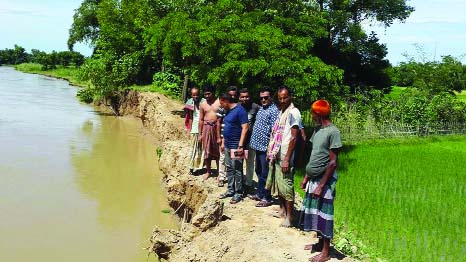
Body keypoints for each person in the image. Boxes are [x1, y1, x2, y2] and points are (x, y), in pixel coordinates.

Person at [299, 100, 342, 262]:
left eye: (313, 113)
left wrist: (322, 185)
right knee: (316, 213)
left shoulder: (333, 132)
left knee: (325, 215)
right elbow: (314, 156)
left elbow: (332, 162)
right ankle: (319, 243)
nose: (312, 116)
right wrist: (306, 177)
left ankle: (326, 252)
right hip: (313, 178)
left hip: (325, 181)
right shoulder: (317, 130)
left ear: (320, 114)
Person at [266, 86, 301, 227]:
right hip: (277, 153)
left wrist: (287, 158)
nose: (282, 100)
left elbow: (293, 137)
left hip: (285, 153)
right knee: (279, 183)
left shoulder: (293, 112)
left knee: (286, 185)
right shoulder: (282, 111)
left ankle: (290, 217)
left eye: (285, 97)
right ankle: (282, 210)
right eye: (280, 98)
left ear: (290, 96)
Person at [249, 86, 279, 207]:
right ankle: (260, 193)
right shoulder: (262, 109)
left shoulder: (274, 111)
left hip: (266, 148)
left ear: (271, 97)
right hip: (258, 146)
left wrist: (270, 149)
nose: (263, 100)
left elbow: (274, 131)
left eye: (266, 98)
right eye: (261, 98)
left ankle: (267, 197)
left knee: (266, 173)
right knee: (259, 171)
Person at [218, 93, 249, 204]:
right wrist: (223, 142)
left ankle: (239, 193)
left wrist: (241, 145)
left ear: (226, 101)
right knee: (229, 168)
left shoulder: (240, 110)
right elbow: (227, 127)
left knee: (237, 169)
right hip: (227, 145)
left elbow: (245, 128)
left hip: (237, 146)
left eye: (221, 103)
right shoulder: (228, 111)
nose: (221, 106)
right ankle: (230, 190)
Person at [238, 88, 260, 195]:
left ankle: (249, 184)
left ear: (250, 97)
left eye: (246, 96)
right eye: (242, 97)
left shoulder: (255, 107)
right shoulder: (237, 107)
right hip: (239, 140)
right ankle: (239, 183)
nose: (244, 99)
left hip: (251, 140)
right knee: (238, 162)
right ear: (239, 97)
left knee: (250, 163)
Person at [216, 86, 238, 187]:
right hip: (223, 135)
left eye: (234, 95)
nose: (232, 96)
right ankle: (221, 177)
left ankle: (233, 179)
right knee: (222, 158)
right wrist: (219, 138)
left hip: (234, 139)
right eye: (231, 95)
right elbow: (218, 122)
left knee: (234, 160)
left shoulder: (238, 108)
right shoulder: (222, 108)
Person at [198, 85, 221, 180]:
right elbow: (201, 119)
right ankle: (208, 171)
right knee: (207, 151)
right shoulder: (203, 104)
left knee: (218, 151)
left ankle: (220, 172)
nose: (207, 96)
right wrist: (200, 134)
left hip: (217, 127)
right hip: (206, 128)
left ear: (214, 92)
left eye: (209, 94)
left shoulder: (219, 102)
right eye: (205, 94)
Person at [184, 86, 205, 174]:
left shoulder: (204, 102)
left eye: (197, 95)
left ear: (199, 94)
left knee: (202, 149)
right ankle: (191, 168)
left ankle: (200, 167)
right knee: (193, 149)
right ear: (191, 95)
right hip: (194, 128)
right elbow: (190, 117)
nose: (195, 97)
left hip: (204, 127)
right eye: (193, 95)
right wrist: (189, 129)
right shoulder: (190, 103)